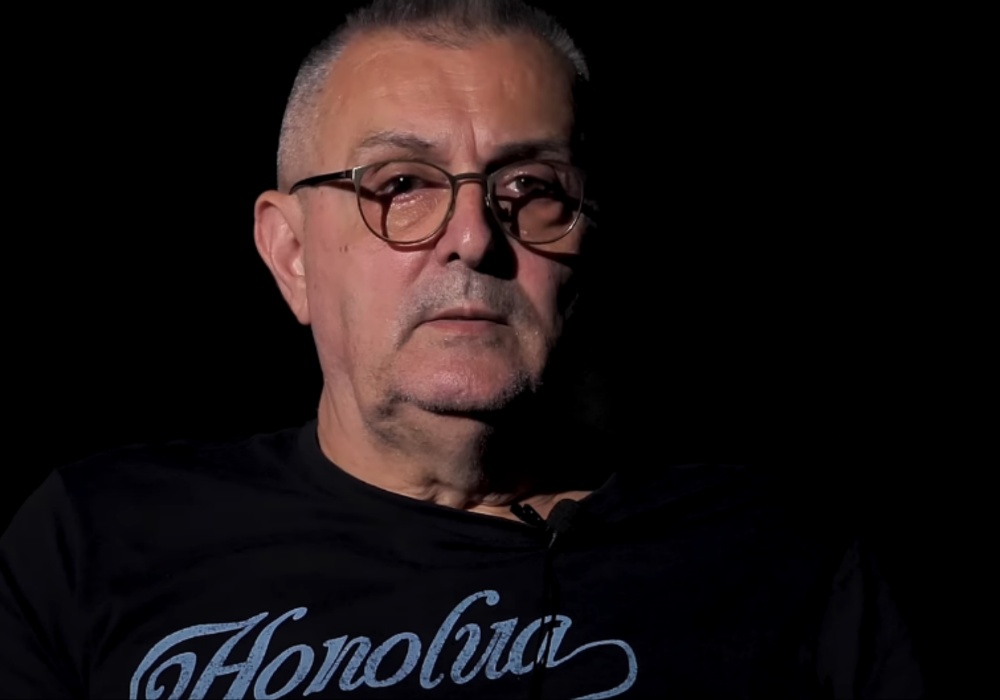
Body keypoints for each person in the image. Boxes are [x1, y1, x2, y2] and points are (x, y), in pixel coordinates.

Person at [0, 1, 924, 698]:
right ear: (292, 255)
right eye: (401, 184)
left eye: (530, 188)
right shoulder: (98, 539)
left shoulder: (782, 556)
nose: (475, 238)